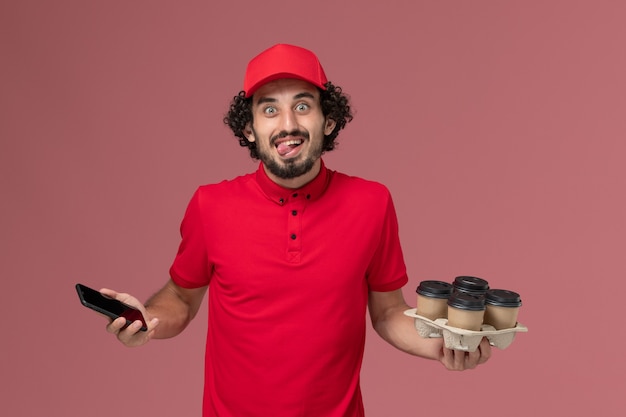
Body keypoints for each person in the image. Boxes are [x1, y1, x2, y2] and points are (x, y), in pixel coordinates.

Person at [101, 43, 491, 417]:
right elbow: (182, 301)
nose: (288, 125)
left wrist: (445, 345)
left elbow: (388, 312)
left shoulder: (372, 203)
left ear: (329, 121)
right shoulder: (210, 205)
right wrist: (146, 320)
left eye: (302, 106)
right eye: (269, 109)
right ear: (249, 129)